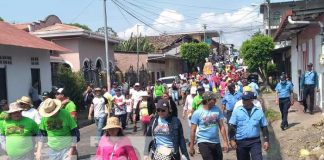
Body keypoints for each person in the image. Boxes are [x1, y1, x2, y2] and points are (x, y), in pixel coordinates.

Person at [228, 91, 269, 160]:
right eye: (243, 99)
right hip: (241, 142)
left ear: (251, 100)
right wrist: (232, 140)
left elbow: (264, 126)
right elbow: (232, 126)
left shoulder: (258, 111)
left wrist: (266, 141)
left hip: (255, 141)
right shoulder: (237, 111)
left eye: (246, 99)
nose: (243, 101)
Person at [189, 91, 228, 160]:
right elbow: (193, 130)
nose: (216, 101)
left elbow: (221, 126)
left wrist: (225, 142)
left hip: (216, 141)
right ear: (207, 100)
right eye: (214, 99)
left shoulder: (217, 109)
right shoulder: (197, 113)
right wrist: (191, 146)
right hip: (203, 142)